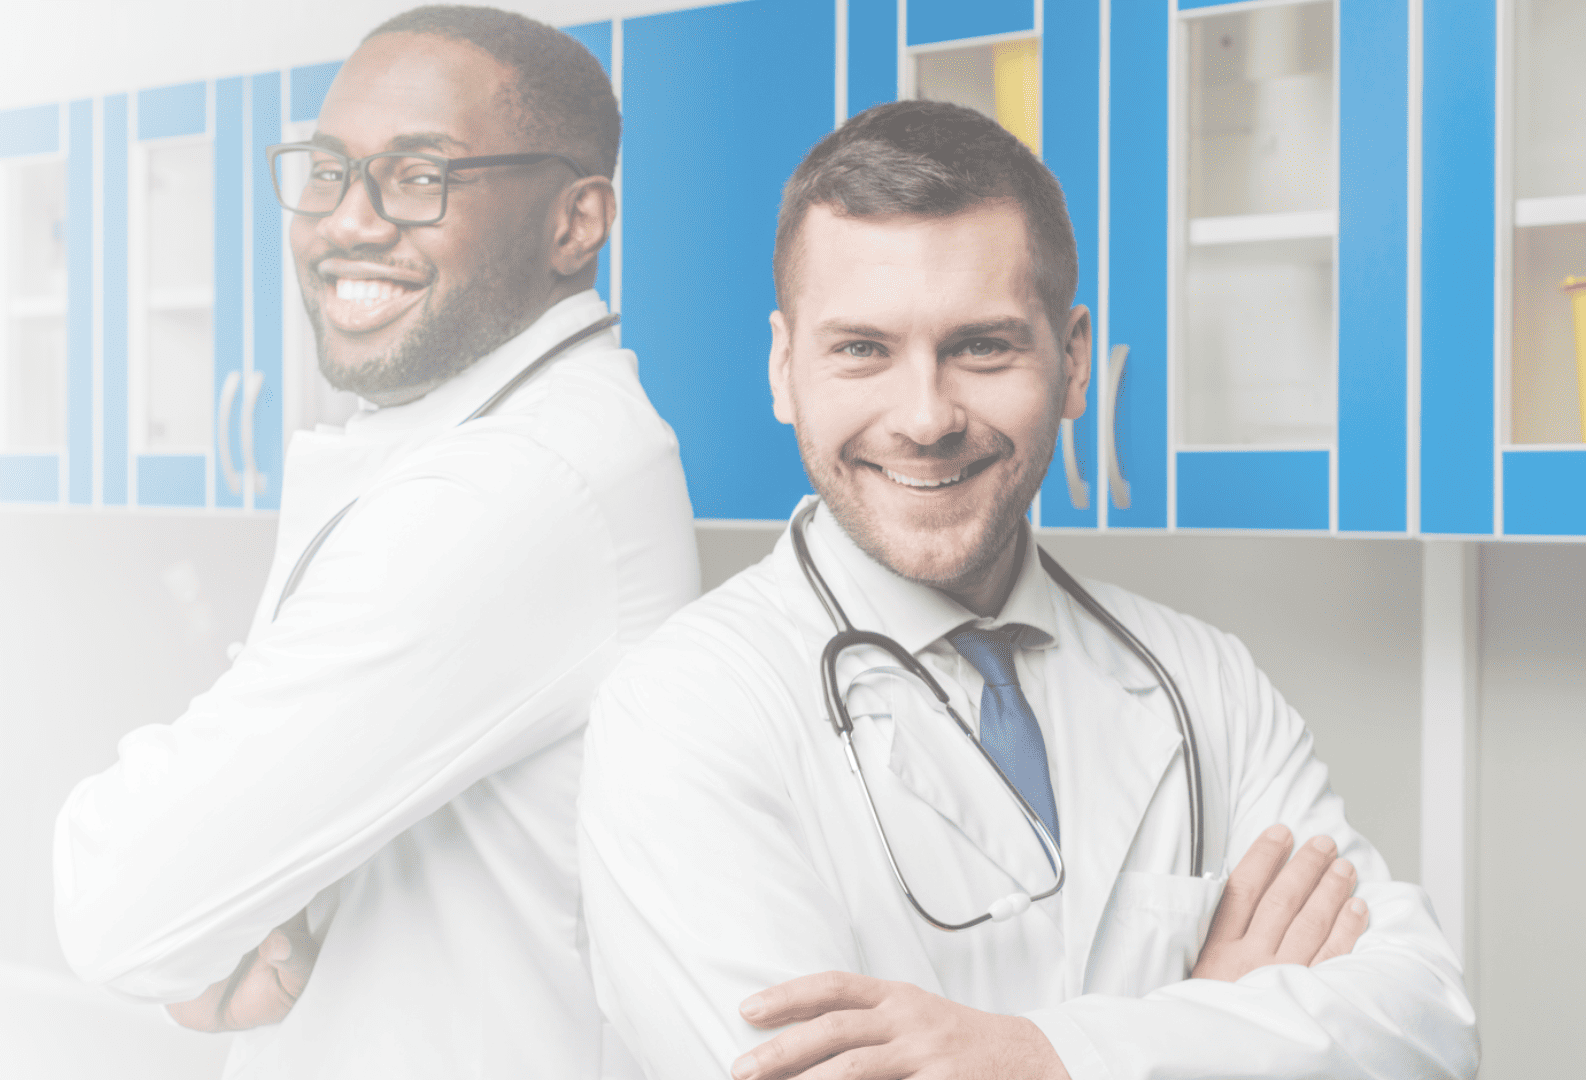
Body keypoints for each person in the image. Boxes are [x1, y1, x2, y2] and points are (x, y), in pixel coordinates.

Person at [577, 101, 1477, 1080]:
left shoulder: (1202, 681)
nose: (924, 417)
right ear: (786, 368)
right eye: (863, 350)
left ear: (1076, 361)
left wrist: (1044, 1055)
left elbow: (1422, 1022)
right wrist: (1207, 1022)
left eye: (982, 347)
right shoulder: (685, 711)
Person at [53, 7, 696, 1078]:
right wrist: (225, 908)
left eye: (418, 177)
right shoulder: (490, 439)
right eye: (327, 172)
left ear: (576, 221)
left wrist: (189, 888)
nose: (346, 223)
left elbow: (119, 906)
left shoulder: (518, 482)